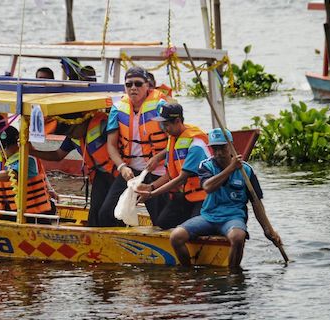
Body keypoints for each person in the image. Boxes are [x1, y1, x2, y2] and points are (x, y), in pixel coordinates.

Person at [169, 128, 282, 271]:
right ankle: (188, 271)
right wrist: (230, 169)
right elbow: (208, 187)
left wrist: (268, 230)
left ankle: (233, 274)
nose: (218, 153)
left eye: (222, 148)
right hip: (209, 217)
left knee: (238, 237)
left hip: (233, 218)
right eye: (214, 149)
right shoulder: (206, 166)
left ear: (230, 146)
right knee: (176, 237)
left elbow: (256, 203)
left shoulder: (246, 171)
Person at [96, 66, 170, 227]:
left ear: (147, 86)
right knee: (107, 213)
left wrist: (158, 157)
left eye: (138, 84)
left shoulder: (161, 106)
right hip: (130, 171)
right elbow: (111, 145)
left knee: (162, 221)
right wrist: (122, 167)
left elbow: (175, 141)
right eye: (129, 84)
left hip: (156, 171)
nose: (133, 88)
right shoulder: (117, 109)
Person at [30, 112, 115, 226]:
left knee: (109, 211)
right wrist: (31, 151)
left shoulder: (103, 126)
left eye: (71, 132)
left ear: (80, 122)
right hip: (99, 175)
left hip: (117, 174)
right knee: (95, 212)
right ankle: (94, 235)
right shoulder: (72, 137)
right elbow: (57, 155)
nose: (70, 136)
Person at [135, 103, 211, 229]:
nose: (163, 128)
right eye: (161, 124)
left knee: (196, 228)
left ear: (177, 121)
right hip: (186, 195)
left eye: (166, 124)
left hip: (203, 197)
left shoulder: (196, 144)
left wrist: (151, 193)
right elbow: (170, 174)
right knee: (163, 222)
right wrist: (150, 186)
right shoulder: (173, 138)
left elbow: (181, 178)